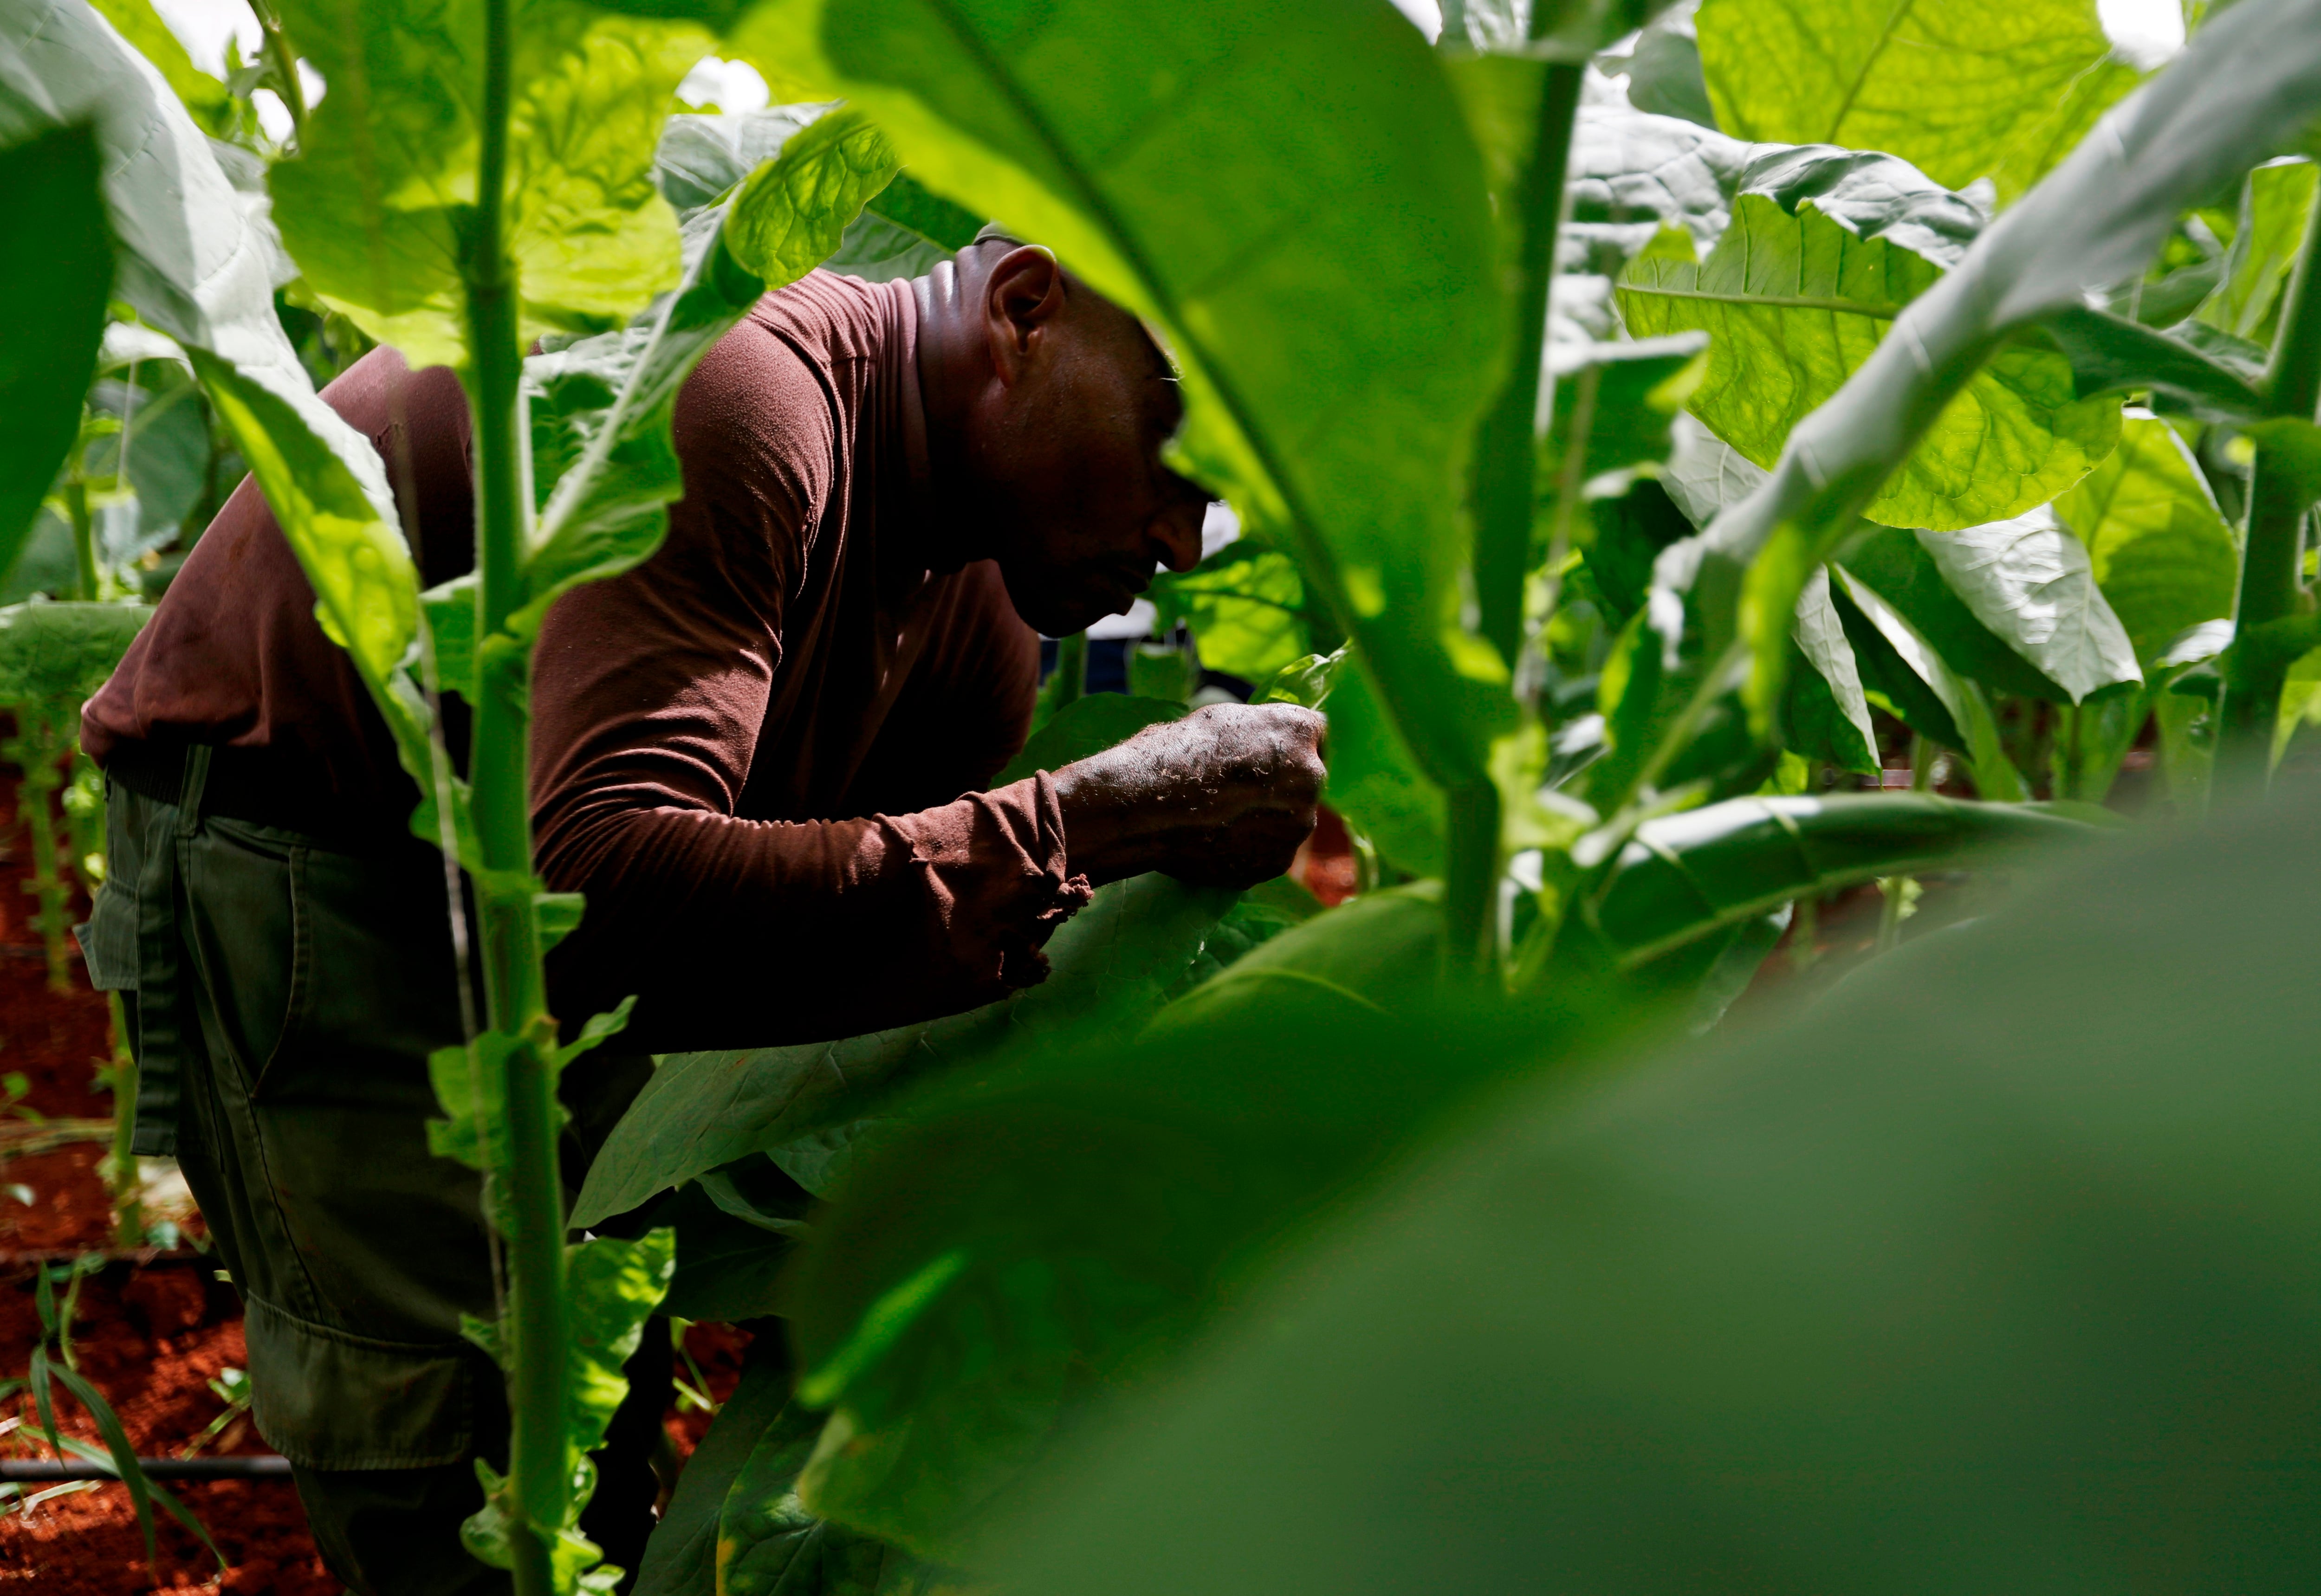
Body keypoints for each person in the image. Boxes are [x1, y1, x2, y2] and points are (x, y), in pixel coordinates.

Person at [75, 233, 1327, 1594]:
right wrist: (1102, 815)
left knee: (584, 1360)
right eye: (1178, 456)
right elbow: (608, 887)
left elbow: (862, 944)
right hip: (315, 838)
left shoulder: (973, 603)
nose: (1181, 541)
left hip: (532, 880)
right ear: (1025, 312)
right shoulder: (745, 393)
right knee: (449, 1415)